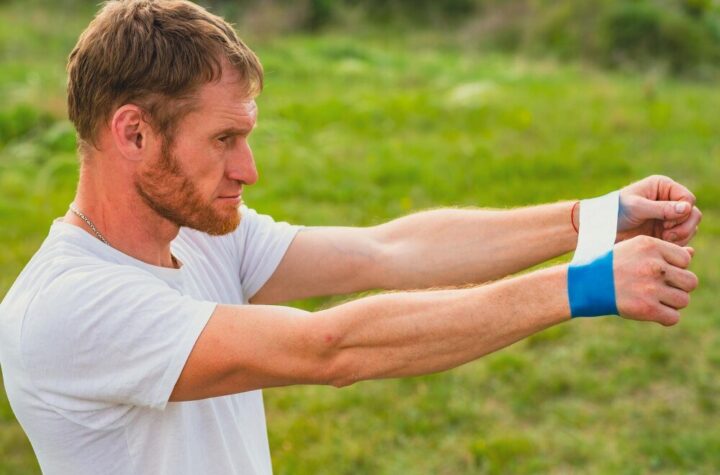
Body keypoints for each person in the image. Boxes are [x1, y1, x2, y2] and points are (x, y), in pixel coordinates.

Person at [0, 1, 703, 474]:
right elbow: (330, 347)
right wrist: (586, 285)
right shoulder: (69, 307)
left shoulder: (198, 235)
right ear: (134, 133)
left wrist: (594, 218)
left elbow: (388, 250)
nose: (248, 169)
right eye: (223, 139)